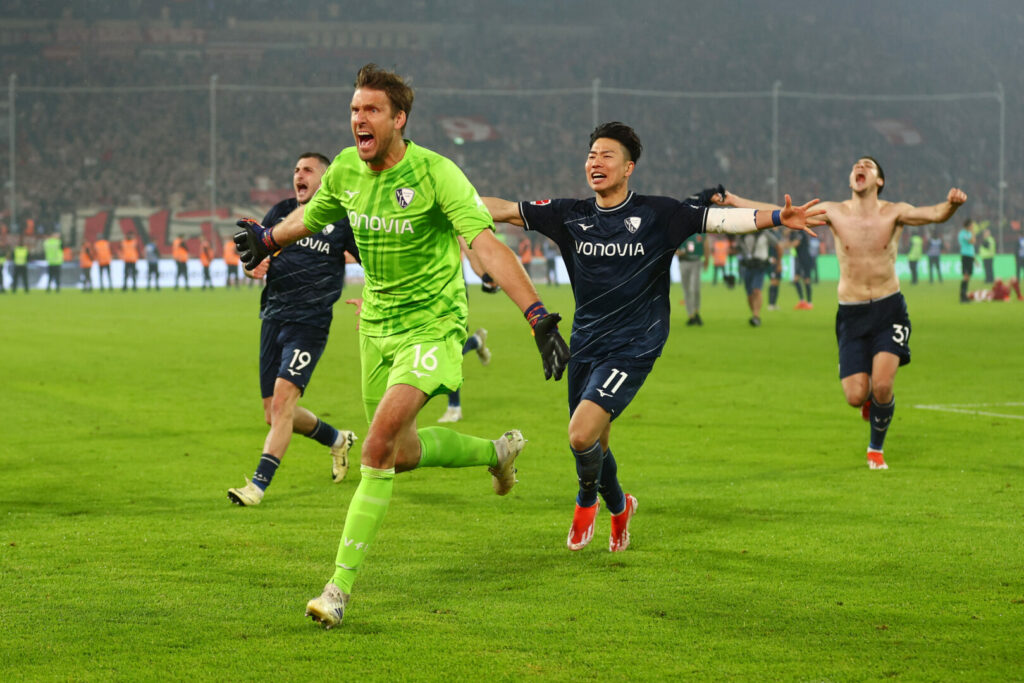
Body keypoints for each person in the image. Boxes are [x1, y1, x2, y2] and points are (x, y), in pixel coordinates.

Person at [232, 64, 569, 629]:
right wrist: (267, 238)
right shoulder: (346, 169)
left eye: (371, 110)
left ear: (399, 119)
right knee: (400, 453)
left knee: (375, 448)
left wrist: (536, 315)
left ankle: (337, 590)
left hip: (432, 328)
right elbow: (313, 217)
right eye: (354, 110)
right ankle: (497, 453)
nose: (358, 119)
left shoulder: (437, 174)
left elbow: (485, 244)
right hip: (376, 330)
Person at [483, 121, 821, 555]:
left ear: (628, 168)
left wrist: (777, 217)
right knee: (596, 441)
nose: (595, 162)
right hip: (585, 343)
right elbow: (505, 210)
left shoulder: (660, 214)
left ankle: (586, 499)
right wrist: (448, 201)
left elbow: (720, 220)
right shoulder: (570, 214)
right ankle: (620, 507)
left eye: (607, 155)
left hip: (635, 344)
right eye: (591, 155)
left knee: (581, 435)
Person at [723, 156, 967, 470]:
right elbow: (781, 213)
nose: (859, 167)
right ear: (852, 179)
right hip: (851, 314)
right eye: (856, 165)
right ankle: (869, 402)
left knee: (883, 385)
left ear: (879, 181)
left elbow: (934, 214)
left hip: (889, 309)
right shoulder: (835, 212)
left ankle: (875, 448)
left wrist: (951, 205)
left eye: (868, 165)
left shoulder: (894, 212)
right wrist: (734, 201)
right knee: (855, 396)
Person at [228, 153, 362, 508]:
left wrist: (370, 298)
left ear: (325, 179)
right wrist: (252, 268)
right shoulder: (281, 212)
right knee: (273, 413)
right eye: (296, 170)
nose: (298, 175)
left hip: (310, 324)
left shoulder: (342, 221)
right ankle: (337, 439)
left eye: (307, 170)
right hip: (272, 318)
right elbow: (253, 259)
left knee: (283, 403)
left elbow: (373, 264)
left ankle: (257, 487)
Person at [437, 235, 493, 424]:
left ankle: (454, 407)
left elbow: (467, 245)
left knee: (450, 350)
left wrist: (484, 275)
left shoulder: (448, 219)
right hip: (427, 289)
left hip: (453, 288)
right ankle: (476, 342)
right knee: (442, 349)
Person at [734, 228, 779, 326]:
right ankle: (754, 314)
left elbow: (777, 245)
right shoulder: (743, 235)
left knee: (757, 290)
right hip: (748, 266)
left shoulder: (765, 234)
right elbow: (738, 249)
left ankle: (756, 315)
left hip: (760, 266)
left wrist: (779, 263)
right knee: (749, 294)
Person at [675, 232, 707, 325]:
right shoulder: (679, 232)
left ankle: (696, 312)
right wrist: (678, 252)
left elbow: (706, 244)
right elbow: (673, 248)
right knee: (687, 290)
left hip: (696, 261)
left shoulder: (700, 233)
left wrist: (707, 259)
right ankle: (691, 315)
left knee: (695, 289)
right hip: (683, 262)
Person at [791, 227, 817, 308]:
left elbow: (796, 243)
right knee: (795, 280)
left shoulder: (801, 233)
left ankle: (809, 303)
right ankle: (802, 301)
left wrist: (784, 245)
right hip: (799, 260)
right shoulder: (795, 234)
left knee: (806, 280)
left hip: (806, 260)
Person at [958, 220, 976, 302]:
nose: (972, 227)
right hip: (965, 256)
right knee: (966, 276)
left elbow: (973, 242)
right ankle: (963, 296)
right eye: (971, 225)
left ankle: (964, 295)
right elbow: (971, 241)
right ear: (968, 226)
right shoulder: (963, 234)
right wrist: (973, 232)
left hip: (970, 256)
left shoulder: (968, 233)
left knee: (968, 276)